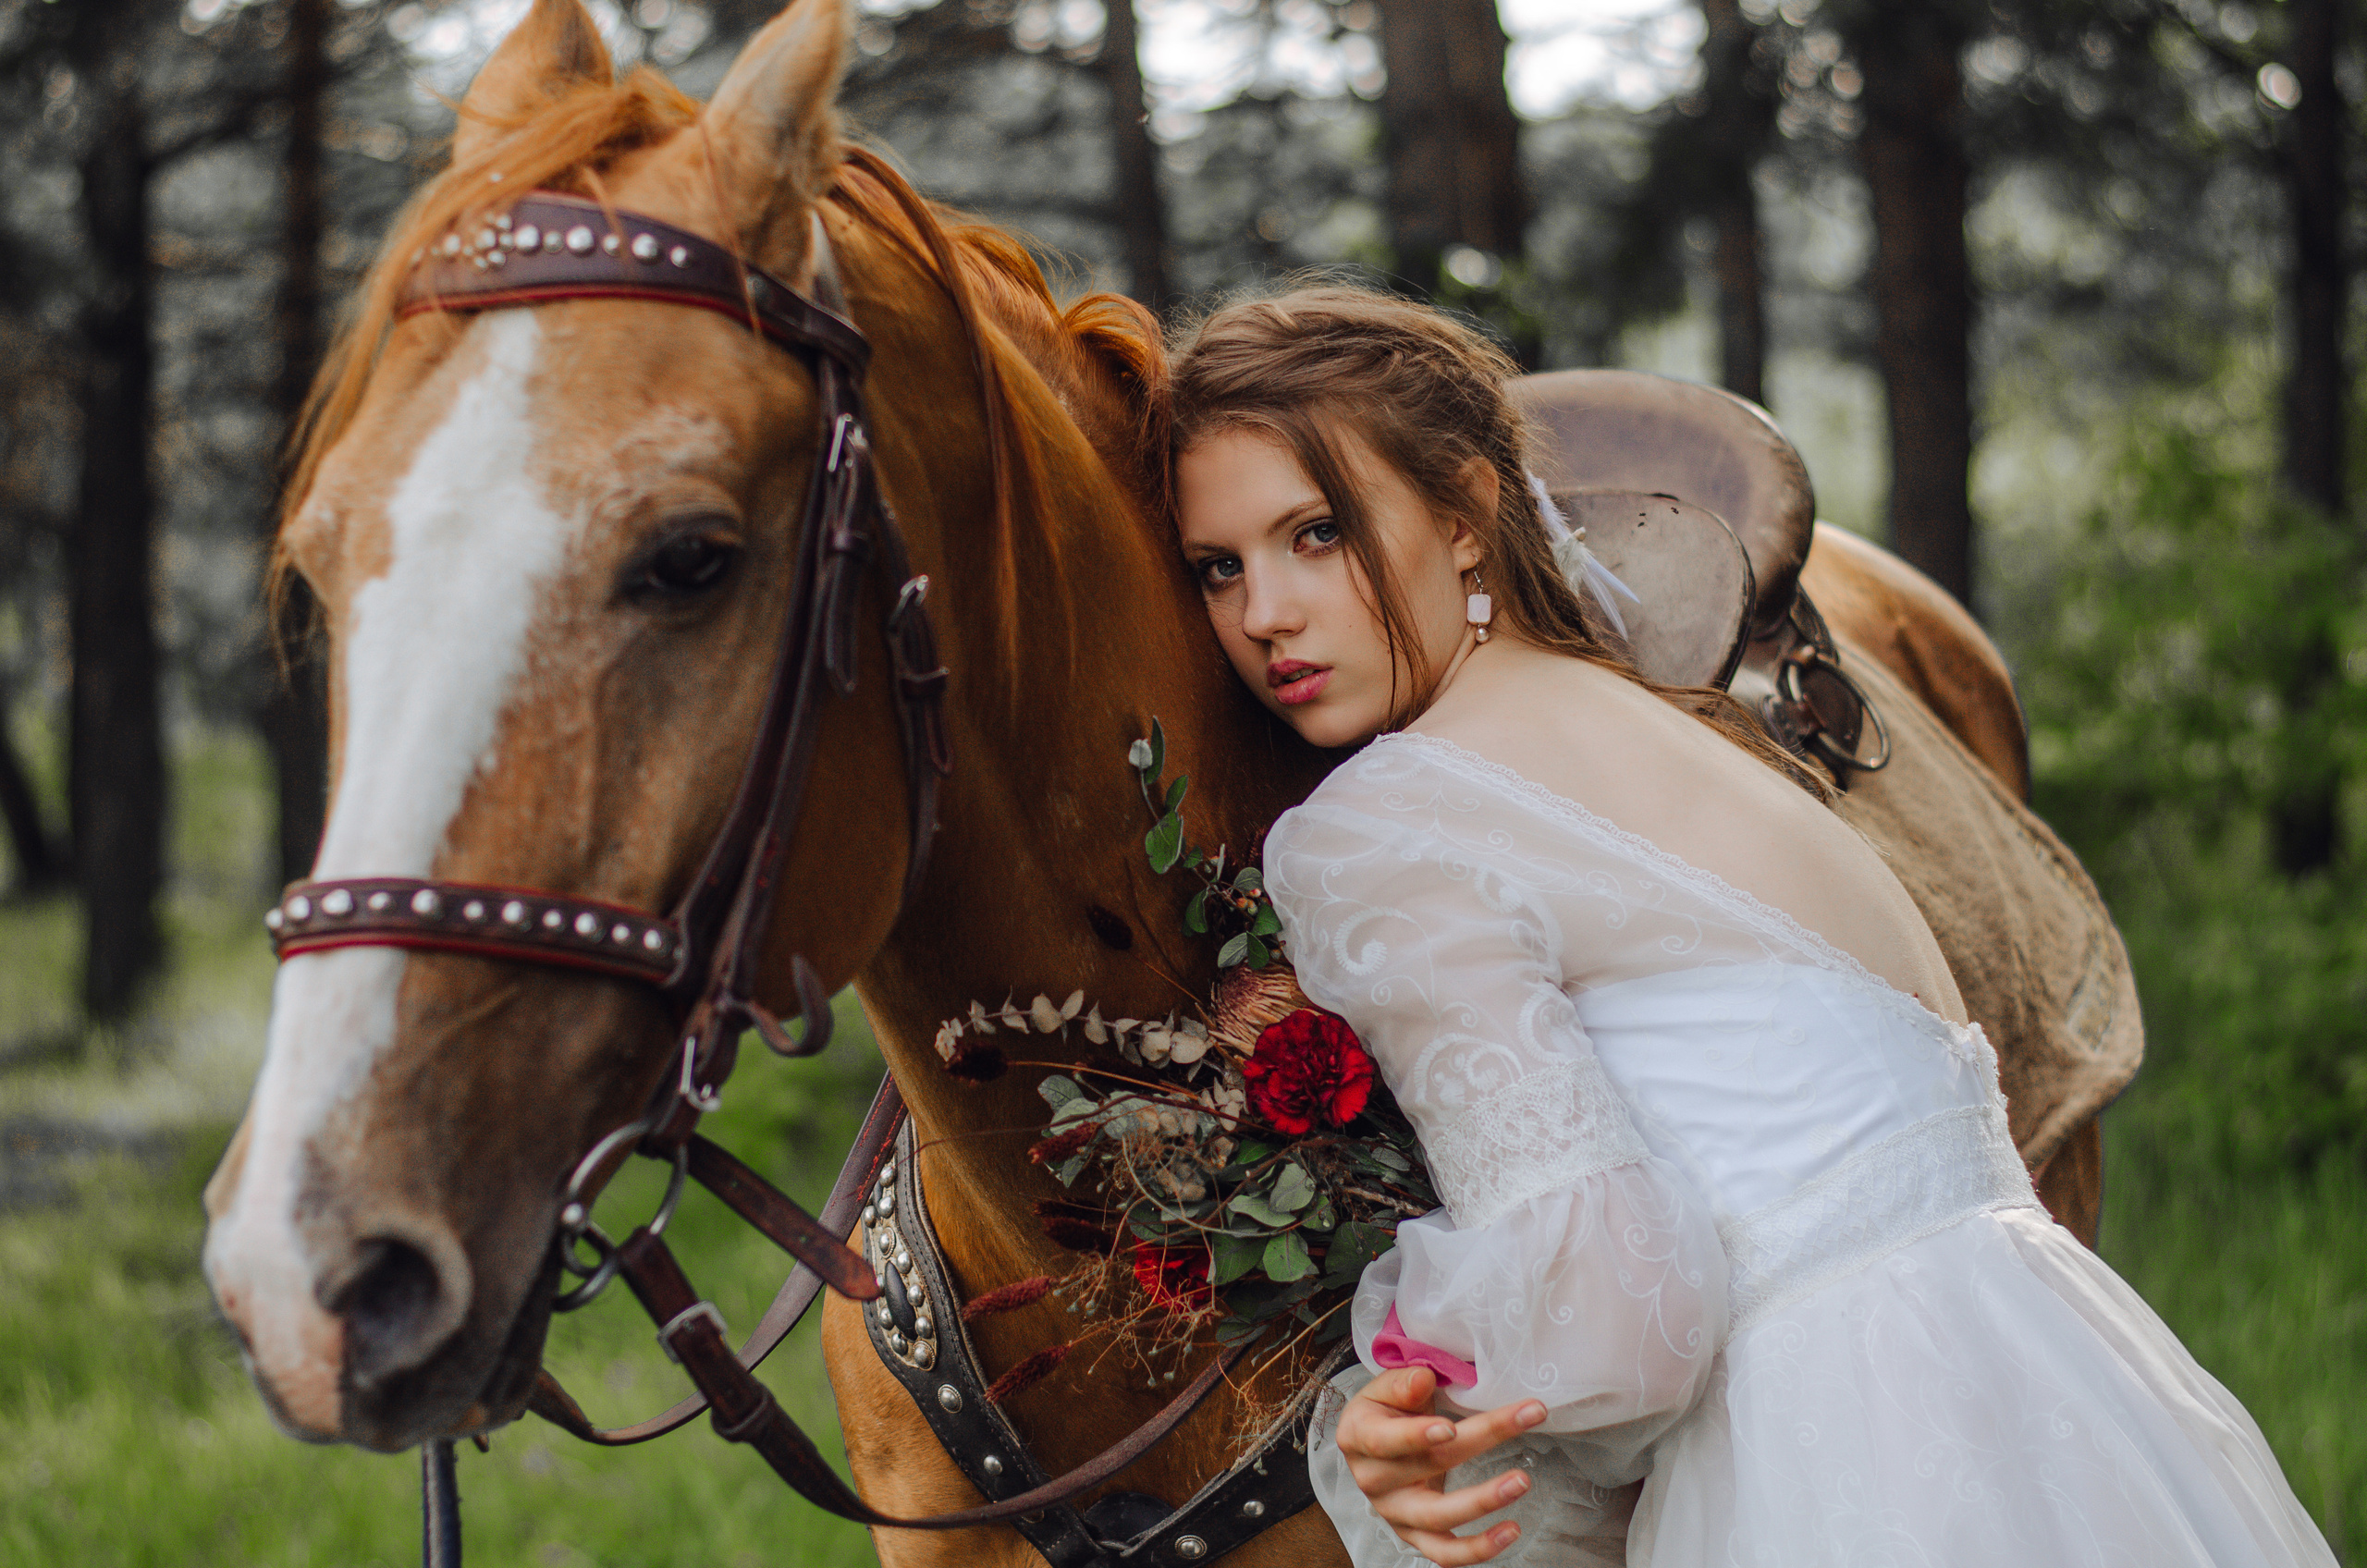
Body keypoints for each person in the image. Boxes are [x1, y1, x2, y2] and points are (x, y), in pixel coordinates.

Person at [1167, 286, 2336, 1568]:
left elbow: (1622, 1323)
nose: (1263, 614)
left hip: (1821, 1459)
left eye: (1317, 534)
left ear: (1464, 517)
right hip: (2064, 1389)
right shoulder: (1697, 738)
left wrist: (1418, 1403)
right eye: (1220, 567)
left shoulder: (1386, 825)